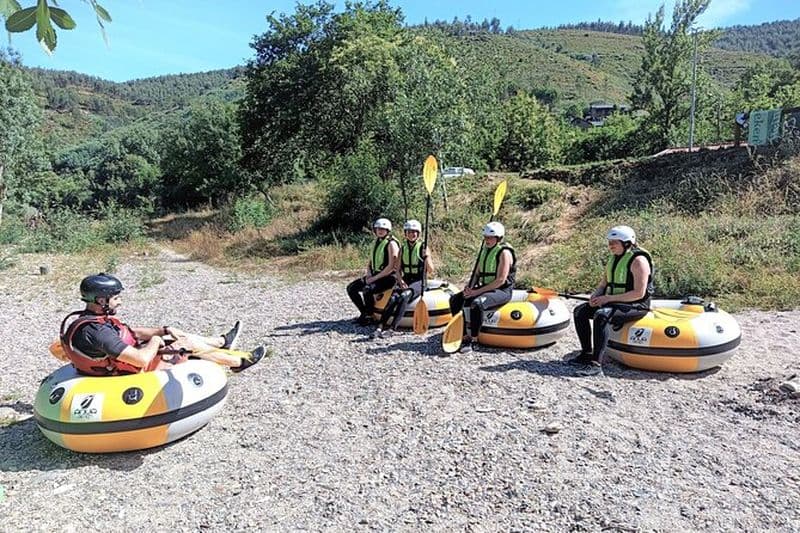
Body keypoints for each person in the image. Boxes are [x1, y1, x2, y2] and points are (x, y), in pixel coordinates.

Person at [60, 273, 266, 376]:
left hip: (120, 360)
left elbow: (130, 333)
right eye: (115, 298)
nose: (119, 301)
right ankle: (238, 363)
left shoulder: (89, 320)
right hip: (125, 373)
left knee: (175, 338)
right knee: (185, 346)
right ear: (101, 300)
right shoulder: (97, 332)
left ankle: (221, 342)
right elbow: (140, 360)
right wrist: (157, 340)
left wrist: (163, 330)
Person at [569, 225, 654, 376]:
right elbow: (603, 284)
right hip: (615, 301)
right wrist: (595, 296)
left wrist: (608, 298)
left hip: (636, 305)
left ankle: (596, 364)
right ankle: (586, 353)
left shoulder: (638, 261)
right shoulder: (614, 259)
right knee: (580, 311)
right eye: (610, 242)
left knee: (602, 315)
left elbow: (638, 293)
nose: (610, 245)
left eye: (614, 242)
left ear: (627, 243)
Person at [449, 221, 516, 353]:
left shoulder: (504, 253)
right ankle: (462, 334)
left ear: (498, 238)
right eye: (485, 237)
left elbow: (500, 280)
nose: (487, 240)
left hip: (501, 291)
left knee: (477, 304)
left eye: (490, 237)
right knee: (455, 300)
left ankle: (474, 340)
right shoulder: (485, 251)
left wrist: (476, 292)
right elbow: (477, 274)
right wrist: (470, 288)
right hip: (486, 287)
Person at [370, 219, 434, 339]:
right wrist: (401, 281)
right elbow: (397, 270)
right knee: (393, 298)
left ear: (418, 234)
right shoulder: (403, 248)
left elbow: (431, 270)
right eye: (409, 232)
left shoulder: (423, 248)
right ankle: (380, 327)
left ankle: (393, 328)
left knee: (404, 296)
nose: (412, 234)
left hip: (419, 281)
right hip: (406, 279)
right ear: (405, 234)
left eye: (415, 232)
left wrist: (427, 257)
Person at [346, 217, 400, 326]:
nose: (380, 231)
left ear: (388, 230)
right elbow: (371, 261)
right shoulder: (377, 242)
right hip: (376, 275)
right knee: (351, 288)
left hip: (389, 278)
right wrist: (369, 273)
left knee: (367, 290)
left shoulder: (391, 244)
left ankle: (370, 316)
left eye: (383, 229)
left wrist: (374, 279)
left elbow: (391, 267)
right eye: (378, 229)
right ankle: (364, 313)